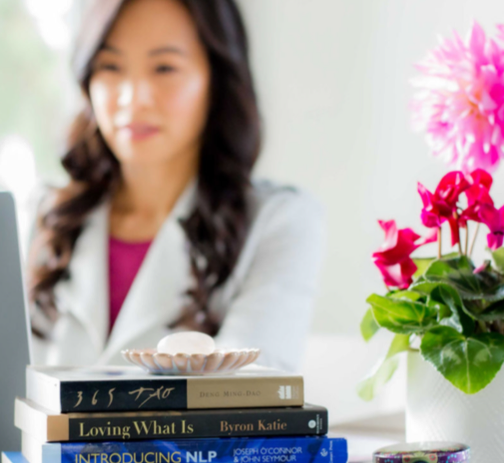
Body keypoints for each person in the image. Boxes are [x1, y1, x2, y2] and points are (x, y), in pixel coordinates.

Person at [26, 0, 324, 372]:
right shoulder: (44, 218)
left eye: (164, 67)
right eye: (111, 66)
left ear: (216, 78)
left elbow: (248, 395)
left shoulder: (279, 222)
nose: (134, 99)